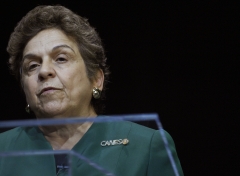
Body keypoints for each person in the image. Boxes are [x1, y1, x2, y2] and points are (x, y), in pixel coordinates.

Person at [0, 5, 183, 176]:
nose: (44, 71)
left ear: (96, 79)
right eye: (32, 65)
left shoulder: (146, 146)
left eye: (61, 58)